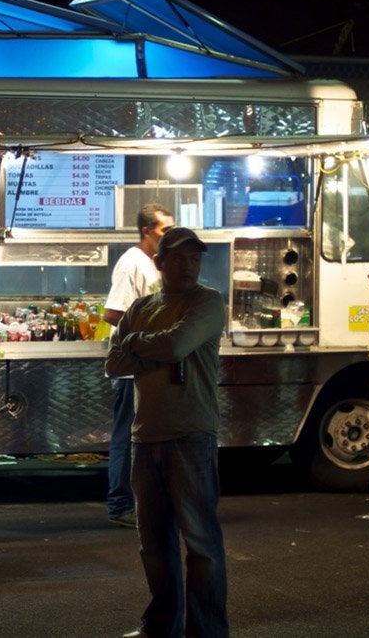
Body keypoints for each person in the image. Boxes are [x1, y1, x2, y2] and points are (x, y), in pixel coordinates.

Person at [104, 226, 229, 638]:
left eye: (194, 258)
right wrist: (148, 348)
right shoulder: (142, 305)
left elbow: (176, 346)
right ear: (159, 262)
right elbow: (114, 365)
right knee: (154, 546)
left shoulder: (208, 302)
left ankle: (207, 631)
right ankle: (161, 625)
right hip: (146, 437)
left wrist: (138, 344)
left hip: (191, 434)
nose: (188, 265)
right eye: (178, 257)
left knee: (201, 545)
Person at [103, 202, 174, 528]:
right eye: (164, 231)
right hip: (131, 365)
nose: (169, 236)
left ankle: (144, 501)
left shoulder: (155, 264)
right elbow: (113, 313)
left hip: (149, 364)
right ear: (147, 231)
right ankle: (120, 504)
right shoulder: (131, 263)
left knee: (146, 437)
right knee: (127, 436)